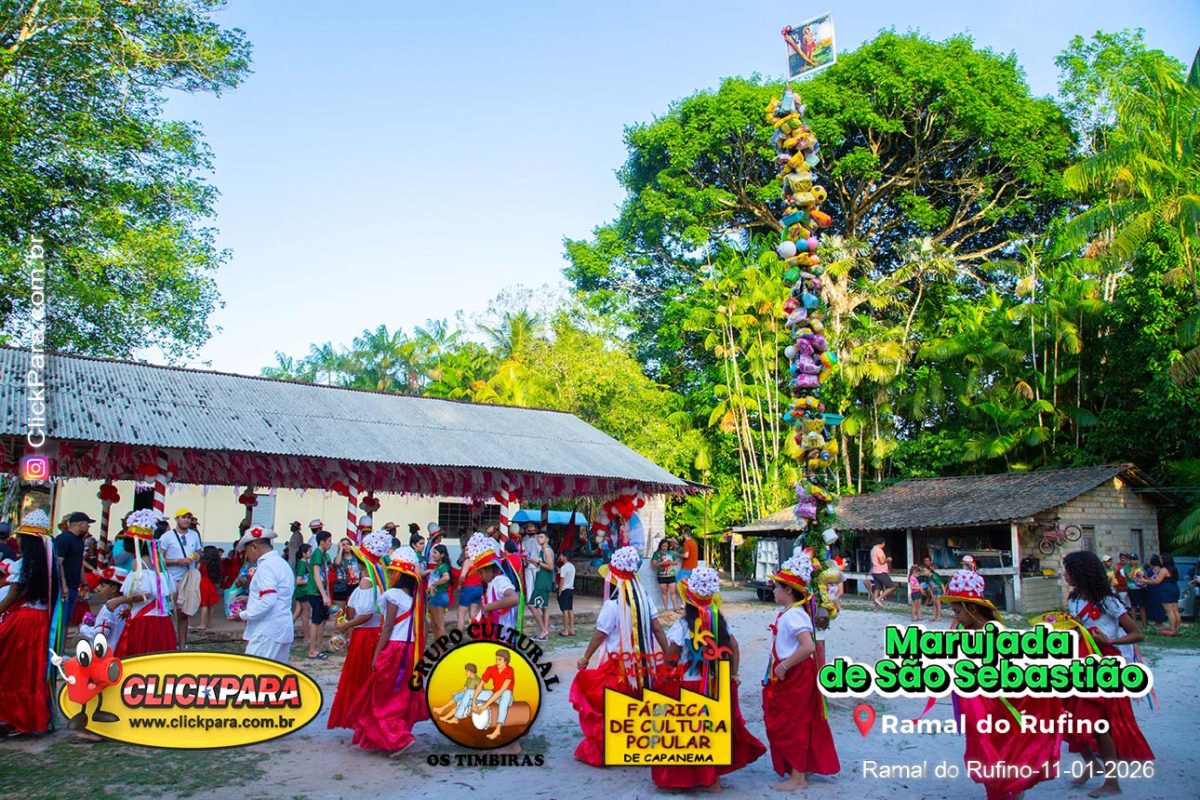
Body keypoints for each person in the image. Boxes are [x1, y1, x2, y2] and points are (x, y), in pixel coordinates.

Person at [943, 569, 1063, 800]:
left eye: (958, 611)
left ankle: (1011, 791)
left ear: (972, 609)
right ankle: (999, 791)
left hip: (1000, 703)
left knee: (1004, 749)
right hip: (977, 705)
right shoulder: (961, 630)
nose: (955, 616)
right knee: (984, 749)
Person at [650, 565, 765, 792]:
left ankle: (690, 779)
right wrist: (733, 674)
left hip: (689, 685)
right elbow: (734, 647)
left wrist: (665, 675)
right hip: (715, 683)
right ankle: (713, 781)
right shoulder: (721, 623)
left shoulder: (683, 626)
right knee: (712, 730)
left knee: (689, 733)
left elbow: (672, 657)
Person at [1061, 550, 1154, 797]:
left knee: (1100, 723)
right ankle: (1091, 762)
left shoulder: (1108, 602)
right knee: (1066, 716)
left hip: (1104, 664)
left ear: (1081, 572)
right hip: (1078, 662)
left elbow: (1137, 634)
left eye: (1068, 570)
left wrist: (1110, 640)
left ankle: (1112, 782)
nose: (1064, 574)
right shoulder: (1073, 599)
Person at [570, 545, 668, 767]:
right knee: (639, 705)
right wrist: (668, 654)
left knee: (611, 708)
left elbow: (600, 634)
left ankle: (611, 751)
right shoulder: (645, 600)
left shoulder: (612, 605)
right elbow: (658, 629)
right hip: (645, 666)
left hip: (618, 668)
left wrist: (585, 657)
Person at [762, 553, 839, 791]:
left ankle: (798, 777)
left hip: (795, 673)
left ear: (788, 590)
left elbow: (808, 647)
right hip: (790, 672)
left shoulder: (795, 614)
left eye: (777, 587)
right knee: (792, 720)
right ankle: (801, 769)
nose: (774, 590)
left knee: (792, 722)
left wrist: (784, 666)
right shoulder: (790, 612)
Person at [346, 546, 428, 756]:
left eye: (392, 573)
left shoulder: (393, 595)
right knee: (400, 693)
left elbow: (388, 626)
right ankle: (393, 734)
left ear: (399, 576)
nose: (389, 576)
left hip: (395, 649)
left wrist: (376, 654)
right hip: (411, 649)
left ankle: (398, 738)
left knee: (381, 695)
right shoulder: (416, 598)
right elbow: (424, 627)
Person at [0, 510, 58, 735]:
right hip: (42, 620)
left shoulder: (24, 565)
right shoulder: (50, 565)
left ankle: (12, 716)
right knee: (31, 668)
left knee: (11, 666)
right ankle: (27, 717)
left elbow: (12, 595)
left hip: (24, 620)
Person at [327, 531, 389, 731]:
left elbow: (366, 614)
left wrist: (346, 625)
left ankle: (360, 716)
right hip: (374, 633)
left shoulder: (366, 581)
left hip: (365, 635)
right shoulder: (379, 579)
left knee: (359, 676)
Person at [111, 512, 176, 657]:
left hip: (145, 621)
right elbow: (169, 591)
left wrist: (118, 601)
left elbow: (145, 594)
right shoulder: (158, 563)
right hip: (162, 619)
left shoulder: (138, 564)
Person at [233, 524, 295, 663]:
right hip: (283, 626)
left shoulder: (265, 567)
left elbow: (268, 600)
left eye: (247, 551)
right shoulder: (281, 563)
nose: (247, 556)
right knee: (276, 672)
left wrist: (243, 615)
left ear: (254, 547)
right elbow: (278, 595)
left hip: (267, 630)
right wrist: (251, 599)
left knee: (254, 671)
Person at [161, 509, 203, 650]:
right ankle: (168, 643)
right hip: (171, 578)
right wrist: (177, 561)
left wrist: (196, 556)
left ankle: (182, 646)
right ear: (177, 519)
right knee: (168, 612)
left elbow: (199, 551)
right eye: (184, 517)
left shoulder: (194, 535)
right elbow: (159, 559)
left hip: (188, 577)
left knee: (184, 613)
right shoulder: (167, 537)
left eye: (189, 518)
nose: (186, 520)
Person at [55, 510, 93, 630]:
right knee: (60, 620)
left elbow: (79, 563)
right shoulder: (64, 539)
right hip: (63, 587)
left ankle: (63, 641)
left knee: (67, 619)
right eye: (87, 524)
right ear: (80, 524)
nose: (88, 527)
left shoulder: (79, 541)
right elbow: (58, 563)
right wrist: (63, 585)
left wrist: (84, 583)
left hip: (73, 585)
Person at [80, 566, 129, 653]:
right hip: (123, 650)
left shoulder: (108, 608)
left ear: (114, 589)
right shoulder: (127, 605)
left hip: (109, 652)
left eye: (103, 586)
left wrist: (83, 628)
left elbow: (101, 633)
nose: (99, 589)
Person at [471, 649, 517, 741]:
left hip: (505, 697)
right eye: (496, 659)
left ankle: (498, 729)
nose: (497, 662)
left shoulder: (510, 670)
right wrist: (474, 702)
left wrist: (485, 706)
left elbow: (501, 691)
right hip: (494, 694)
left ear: (505, 661)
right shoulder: (491, 669)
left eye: (500, 659)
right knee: (471, 692)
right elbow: (480, 685)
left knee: (506, 693)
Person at [305, 531, 333, 659]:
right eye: (329, 541)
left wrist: (327, 593)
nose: (330, 544)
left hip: (322, 592)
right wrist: (324, 595)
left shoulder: (323, 555)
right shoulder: (317, 554)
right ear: (322, 542)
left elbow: (325, 576)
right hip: (315, 592)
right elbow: (316, 575)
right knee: (316, 621)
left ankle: (319, 646)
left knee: (323, 619)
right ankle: (312, 650)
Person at [528, 531, 554, 641]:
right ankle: (545, 631)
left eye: (541, 537)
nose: (539, 539)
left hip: (542, 582)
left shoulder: (546, 551)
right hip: (543, 580)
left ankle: (543, 630)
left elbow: (551, 567)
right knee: (544, 607)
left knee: (531, 605)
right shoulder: (543, 550)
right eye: (538, 537)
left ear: (547, 539)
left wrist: (537, 562)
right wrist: (534, 562)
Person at [456, 533, 484, 632]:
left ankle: (458, 635)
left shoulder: (467, 561)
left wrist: (459, 585)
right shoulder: (479, 561)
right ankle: (475, 634)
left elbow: (462, 576)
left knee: (460, 614)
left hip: (468, 589)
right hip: (479, 588)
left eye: (468, 550)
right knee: (473, 614)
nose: (465, 552)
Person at [1145, 554, 1176, 633]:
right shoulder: (1173, 569)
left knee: (1169, 610)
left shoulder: (1164, 570)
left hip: (1164, 590)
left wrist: (1145, 581)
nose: (1160, 561)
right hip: (1172, 589)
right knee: (1174, 610)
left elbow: (1157, 580)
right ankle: (1176, 627)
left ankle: (1172, 628)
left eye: (1161, 559)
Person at [331, 537, 359, 617]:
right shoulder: (338, 558)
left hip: (354, 586)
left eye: (348, 544)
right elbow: (337, 563)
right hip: (340, 587)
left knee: (351, 615)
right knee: (339, 615)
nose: (346, 546)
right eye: (343, 545)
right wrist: (340, 550)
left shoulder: (356, 558)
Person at [427, 543, 451, 638]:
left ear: (442, 555)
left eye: (435, 553)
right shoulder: (437, 566)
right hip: (435, 596)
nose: (433, 555)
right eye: (433, 552)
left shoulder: (442, 567)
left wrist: (434, 584)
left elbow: (446, 577)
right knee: (435, 624)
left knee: (439, 624)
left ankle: (441, 644)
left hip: (440, 595)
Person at [196, 545, 222, 632]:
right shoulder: (216, 563)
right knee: (210, 605)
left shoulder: (203, 563)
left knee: (204, 605)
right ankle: (209, 623)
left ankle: (202, 624)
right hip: (211, 584)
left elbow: (197, 570)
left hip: (203, 583)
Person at [651, 539, 682, 613]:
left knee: (672, 591)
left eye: (666, 546)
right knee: (664, 592)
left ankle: (675, 607)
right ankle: (666, 608)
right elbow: (653, 564)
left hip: (671, 574)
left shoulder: (670, 553)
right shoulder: (656, 554)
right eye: (663, 546)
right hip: (661, 575)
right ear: (660, 546)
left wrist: (671, 562)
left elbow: (676, 562)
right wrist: (661, 563)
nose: (665, 547)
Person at [869, 538, 895, 608]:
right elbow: (881, 561)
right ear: (882, 543)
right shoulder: (879, 550)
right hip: (881, 571)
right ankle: (879, 599)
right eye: (884, 544)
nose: (884, 545)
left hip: (875, 571)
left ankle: (875, 607)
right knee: (891, 586)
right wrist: (888, 560)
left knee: (877, 588)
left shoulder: (872, 550)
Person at [557, 550, 576, 637]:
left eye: (561, 555)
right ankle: (571, 629)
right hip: (571, 589)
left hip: (564, 589)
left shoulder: (564, 567)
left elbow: (562, 580)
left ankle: (565, 630)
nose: (560, 557)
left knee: (564, 610)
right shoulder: (572, 566)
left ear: (565, 557)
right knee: (570, 609)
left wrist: (560, 591)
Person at [1125, 553, 1148, 626]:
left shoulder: (1140, 567)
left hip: (1141, 588)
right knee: (1133, 606)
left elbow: (1145, 576)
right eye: (1130, 559)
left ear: (1137, 560)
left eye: (1134, 559)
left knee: (1142, 606)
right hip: (1132, 588)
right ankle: (1134, 624)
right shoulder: (1127, 567)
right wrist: (1133, 567)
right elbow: (1130, 576)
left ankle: (1144, 624)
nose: (1132, 561)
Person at [921, 555, 945, 621]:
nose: (924, 572)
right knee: (934, 604)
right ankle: (935, 616)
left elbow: (941, 583)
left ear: (929, 570)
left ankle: (939, 617)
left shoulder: (934, 576)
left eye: (925, 571)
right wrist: (931, 593)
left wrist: (944, 592)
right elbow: (930, 585)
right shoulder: (928, 577)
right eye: (923, 571)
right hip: (934, 591)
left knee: (938, 604)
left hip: (938, 590)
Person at [293, 543, 312, 625]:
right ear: (304, 553)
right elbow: (298, 581)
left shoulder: (305, 563)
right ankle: (306, 632)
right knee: (306, 613)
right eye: (309, 552)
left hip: (302, 591)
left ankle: (288, 628)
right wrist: (311, 581)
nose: (311, 553)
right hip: (303, 591)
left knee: (298, 611)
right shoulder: (302, 564)